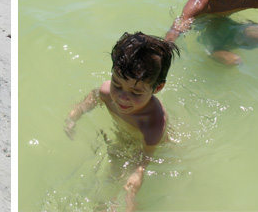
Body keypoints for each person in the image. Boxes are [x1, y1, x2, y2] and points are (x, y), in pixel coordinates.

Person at [64, 32, 179, 211]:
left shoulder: (153, 123)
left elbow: (145, 157)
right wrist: (74, 116)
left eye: (136, 93)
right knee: (110, 172)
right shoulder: (107, 93)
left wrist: (137, 174)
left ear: (158, 88)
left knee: (126, 183)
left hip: (148, 144)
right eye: (117, 84)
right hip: (123, 136)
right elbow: (91, 99)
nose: (123, 98)